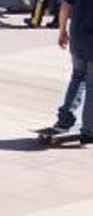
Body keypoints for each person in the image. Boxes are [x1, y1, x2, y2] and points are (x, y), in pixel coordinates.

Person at [54, 0, 93, 144]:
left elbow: (65, 6)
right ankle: (89, 130)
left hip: (78, 37)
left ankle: (64, 120)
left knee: (77, 77)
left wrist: (62, 30)